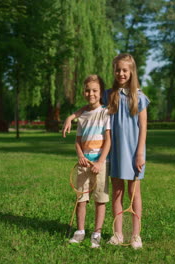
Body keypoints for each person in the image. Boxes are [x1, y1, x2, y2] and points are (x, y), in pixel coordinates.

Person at [63, 54, 149, 249]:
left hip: (134, 152)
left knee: (134, 193)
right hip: (114, 153)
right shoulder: (109, 94)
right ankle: (118, 234)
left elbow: (143, 127)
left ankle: (136, 235)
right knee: (117, 192)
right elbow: (90, 106)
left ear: (132, 72)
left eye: (125, 70)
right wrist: (71, 116)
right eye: (117, 70)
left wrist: (140, 153)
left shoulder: (140, 97)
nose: (121, 73)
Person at [68, 75, 111, 249]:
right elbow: (78, 141)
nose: (90, 93)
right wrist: (80, 156)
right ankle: (80, 231)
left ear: (101, 93)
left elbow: (108, 140)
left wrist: (100, 162)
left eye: (94, 90)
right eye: (87, 90)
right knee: (81, 198)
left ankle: (97, 233)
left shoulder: (105, 112)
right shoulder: (83, 115)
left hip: (100, 164)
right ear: (83, 92)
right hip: (83, 164)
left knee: (100, 199)